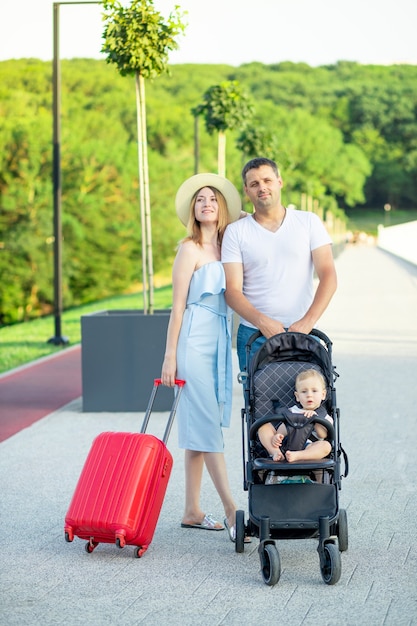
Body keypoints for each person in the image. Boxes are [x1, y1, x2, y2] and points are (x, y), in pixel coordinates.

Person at [161, 173, 249, 543]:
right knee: (208, 423)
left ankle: (192, 510)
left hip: (218, 340)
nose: (207, 203)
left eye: (214, 198)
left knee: (198, 425)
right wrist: (169, 356)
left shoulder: (228, 245)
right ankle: (231, 508)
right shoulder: (189, 249)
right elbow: (177, 307)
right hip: (193, 339)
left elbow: (250, 219)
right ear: (193, 211)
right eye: (200, 200)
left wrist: (234, 210)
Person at [221, 157, 337, 371]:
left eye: (267, 180)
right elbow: (232, 291)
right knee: (259, 404)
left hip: (304, 333)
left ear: (279, 182)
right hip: (254, 336)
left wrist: (307, 322)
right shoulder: (236, 231)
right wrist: (262, 322)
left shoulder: (308, 222)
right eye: (254, 184)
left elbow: (328, 276)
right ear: (246, 190)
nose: (262, 187)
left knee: (309, 403)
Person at [258, 369, 333, 464]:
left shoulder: (325, 416)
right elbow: (283, 427)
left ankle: (298, 456)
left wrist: (315, 419)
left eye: (314, 391)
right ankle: (275, 452)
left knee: (326, 446)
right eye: (304, 392)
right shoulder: (293, 410)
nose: (309, 395)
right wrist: (277, 436)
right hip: (286, 443)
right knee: (263, 427)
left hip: (308, 447)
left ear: (323, 395)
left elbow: (322, 435)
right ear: (297, 396)